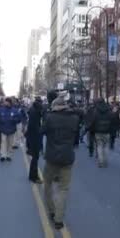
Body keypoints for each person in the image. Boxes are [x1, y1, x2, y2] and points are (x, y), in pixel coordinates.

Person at [42, 94, 78, 230]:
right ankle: (59, 218)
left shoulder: (50, 118)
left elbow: (42, 131)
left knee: (47, 184)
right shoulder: (74, 118)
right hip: (67, 157)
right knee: (64, 189)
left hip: (52, 157)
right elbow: (76, 138)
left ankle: (52, 210)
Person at [90, 98, 116, 168]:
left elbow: (93, 121)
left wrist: (92, 130)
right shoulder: (109, 111)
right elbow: (112, 121)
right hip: (107, 131)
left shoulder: (96, 111)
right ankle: (105, 161)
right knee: (106, 146)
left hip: (98, 131)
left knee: (99, 146)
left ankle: (101, 162)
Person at [0, 98, 22, 162]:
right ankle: (3, 155)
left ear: (9, 103)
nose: (5, 103)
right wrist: (1, 121)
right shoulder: (1, 110)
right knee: (3, 142)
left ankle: (9, 155)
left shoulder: (15, 110)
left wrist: (13, 120)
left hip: (11, 129)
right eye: (5, 102)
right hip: (3, 129)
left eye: (6, 102)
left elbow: (19, 119)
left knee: (10, 143)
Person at [26, 97, 44, 184]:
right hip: (35, 138)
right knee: (35, 158)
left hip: (32, 137)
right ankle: (34, 177)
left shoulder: (32, 111)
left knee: (34, 158)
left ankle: (32, 176)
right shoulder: (36, 112)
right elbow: (36, 127)